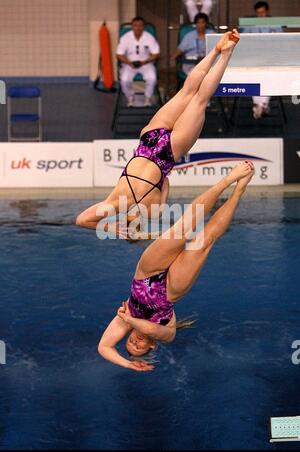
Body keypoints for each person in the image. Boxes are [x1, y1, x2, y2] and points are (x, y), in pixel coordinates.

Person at [76, 30, 240, 237]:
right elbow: (81, 220)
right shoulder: (115, 203)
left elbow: (165, 181)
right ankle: (217, 50)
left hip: (166, 155)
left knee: (199, 99)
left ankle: (226, 52)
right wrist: (111, 227)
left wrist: (115, 228)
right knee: (188, 93)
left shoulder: (151, 211)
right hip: (147, 143)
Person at [98, 162, 255, 371]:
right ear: (151, 345)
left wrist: (129, 364)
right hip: (170, 291)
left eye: (130, 344)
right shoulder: (165, 334)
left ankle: (227, 180)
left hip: (146, 273)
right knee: (205, 240)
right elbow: (152, 329)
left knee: (185, 226)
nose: (135, 343)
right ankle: (239, 189)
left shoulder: (124, 321)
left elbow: (104, 347)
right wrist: (130, 320)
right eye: (140, 347)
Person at [244, 1, 282, 119]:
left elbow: (281, 41)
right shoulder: (250, 25)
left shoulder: (275, 24)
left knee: (269, 76)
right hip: (254, 58)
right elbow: (244, 40)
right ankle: (262, 105)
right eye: (258, 13)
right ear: (256, 13)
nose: (261, 15)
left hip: (271, 58)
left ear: (267, 11)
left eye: (263, 13)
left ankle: (259, 105)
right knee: (253, 76)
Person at [116, 16, 160, 107]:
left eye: (140, 25)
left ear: (143, 26)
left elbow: (156, 53)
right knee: (124, 80)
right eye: (135, 25)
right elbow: (119, 54)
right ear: (132, 26)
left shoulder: (149, 37)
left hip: (146, 63)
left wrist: (145, 61)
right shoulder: (125, 37)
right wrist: (129, 62)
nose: (138, 28)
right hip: (129, 64)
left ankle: (147, 98)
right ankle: (130, 97)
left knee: (152, 78)